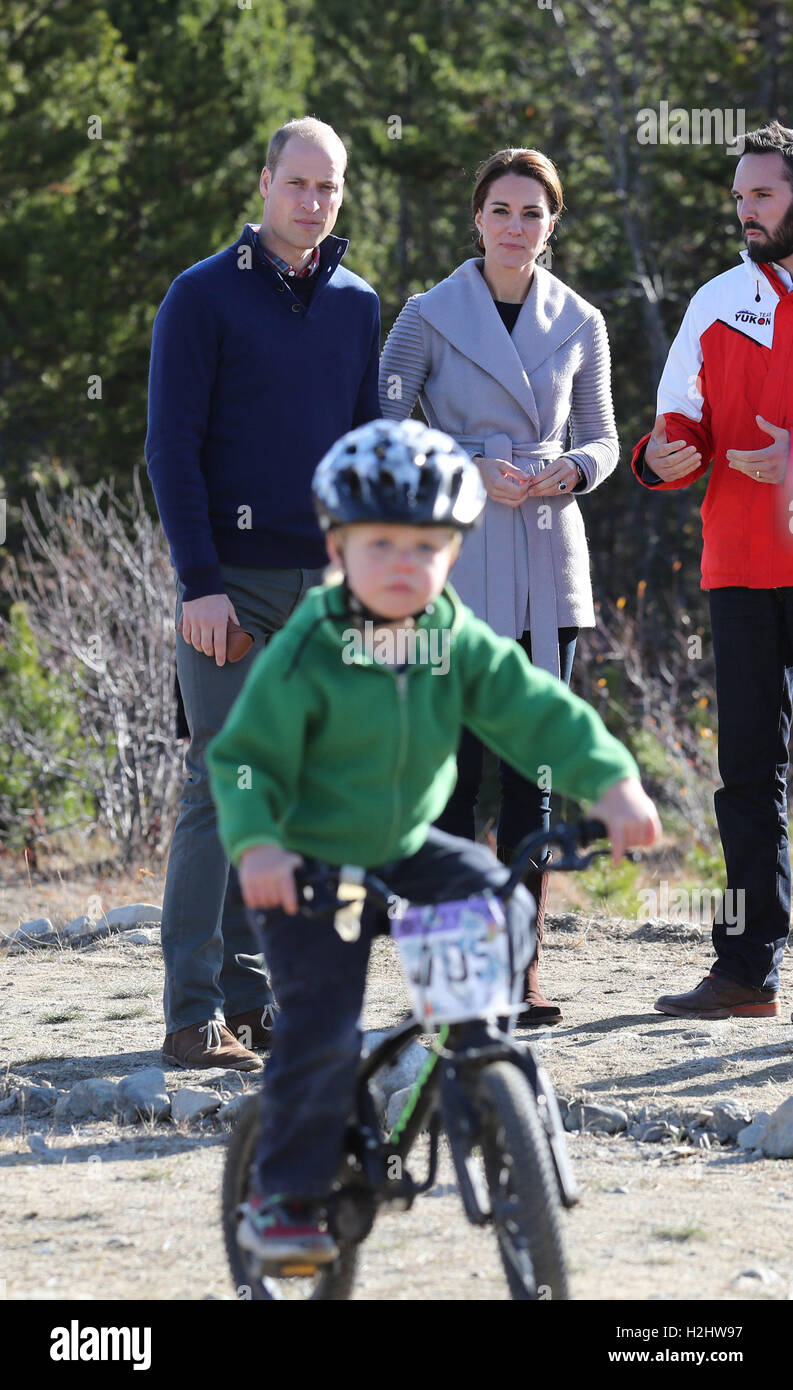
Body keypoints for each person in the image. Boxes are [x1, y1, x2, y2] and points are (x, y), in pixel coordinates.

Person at [206, 418, 660, 1264]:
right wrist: (259, 845)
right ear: (337, 545)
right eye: (379, 544)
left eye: (426, 545)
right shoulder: (310, 643)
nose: (404, 564)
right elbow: (242, 760)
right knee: (320, 1026)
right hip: (310, 863)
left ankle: (476, 1057)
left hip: (407, 845)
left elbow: (536, 708)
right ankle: (287, 1196)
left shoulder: (450, 632)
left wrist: (611, 780)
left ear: (454, 551)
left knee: (491, 887)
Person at [145, 117, 380, 1070]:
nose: (312, 202)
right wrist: (200, 585)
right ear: (263, 184)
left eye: (328, 188)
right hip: (229, 589)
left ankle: (252, 1003)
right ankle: (189, 1015)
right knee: (222, 784)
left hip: (322, 585)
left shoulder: (358, 303)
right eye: (297, 184)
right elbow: (171, 450)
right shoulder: (201, 297)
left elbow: (365, 450)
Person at [379, 148, 619, 1025]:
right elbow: (385, 428)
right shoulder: (425, 315)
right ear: (475, 217)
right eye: (502, 209)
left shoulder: (582, 318)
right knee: (448, 776)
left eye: (533, 213)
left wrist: (569, 472)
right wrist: (474, 465)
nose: (517, 227)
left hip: (547, 561)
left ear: (552, 225)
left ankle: (519, 972)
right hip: (456, 561)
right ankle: (450, 975)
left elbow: (602, 436)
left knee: (534, 777)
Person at [631, 119, 793, 1020]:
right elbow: (675, 429)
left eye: (761, 194)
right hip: (738, 568)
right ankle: (744, 972)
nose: (745, 212)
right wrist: (662, 457)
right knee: (746, 777)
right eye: (738, 197)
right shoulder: (713, 301)